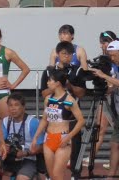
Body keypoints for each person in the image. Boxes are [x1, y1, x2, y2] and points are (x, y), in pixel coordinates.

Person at [32, 68, 85, 179]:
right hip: (49, 139)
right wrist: (36, 137)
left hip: (62, 139)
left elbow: (81, 121)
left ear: (57, 83)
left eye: (50, 80)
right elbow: (44, 119)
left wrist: (68, 137)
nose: (47, 83)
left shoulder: (69, 100)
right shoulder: (48, 99)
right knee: (51, 175)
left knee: (57, 174)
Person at [82, 31, 118, 168]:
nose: (102, 45)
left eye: (105, 42)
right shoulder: (102, 60)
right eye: (101, 42)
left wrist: (106, 78)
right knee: (100, 128)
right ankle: (90, 157)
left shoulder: (115, 60)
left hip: (116, 98)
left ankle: (114, 161)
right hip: (107, 96)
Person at [0, 93, 44, 180]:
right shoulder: (6, 121)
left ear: (23, 107)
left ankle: (32, 175)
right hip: (9, 157)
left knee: (21, 178)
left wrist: (25, 153)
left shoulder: (32, 123)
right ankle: (12, 174)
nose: (13, 108)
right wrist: (2, 145)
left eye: (16, 105)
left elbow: (41, 147)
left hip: (28, 159)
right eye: (10, 105)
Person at [90, 40, 119, 179]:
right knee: (114, 144)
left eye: (114, 55)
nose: (112, 59)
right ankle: (111, 175)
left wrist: (104, 76)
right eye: (110, 55)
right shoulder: (116, 68)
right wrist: (107, 89)